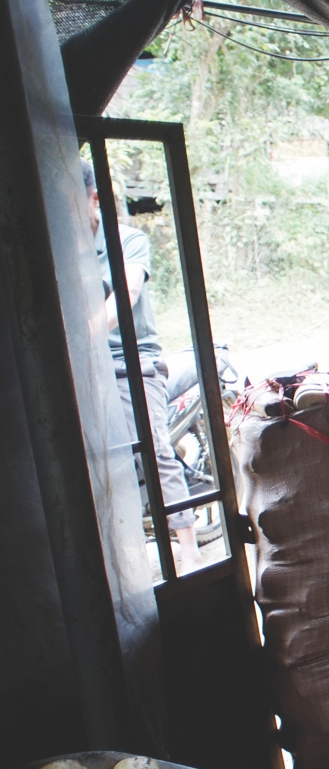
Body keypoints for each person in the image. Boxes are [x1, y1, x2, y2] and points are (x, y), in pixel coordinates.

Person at [85, 160, 204, 575]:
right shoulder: (63, 249)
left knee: (151, 447)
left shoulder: (126, 240)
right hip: (84, 366)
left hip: (131, 363)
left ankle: (189, 547)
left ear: (93, 199)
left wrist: (86, 333)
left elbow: (128, 290)